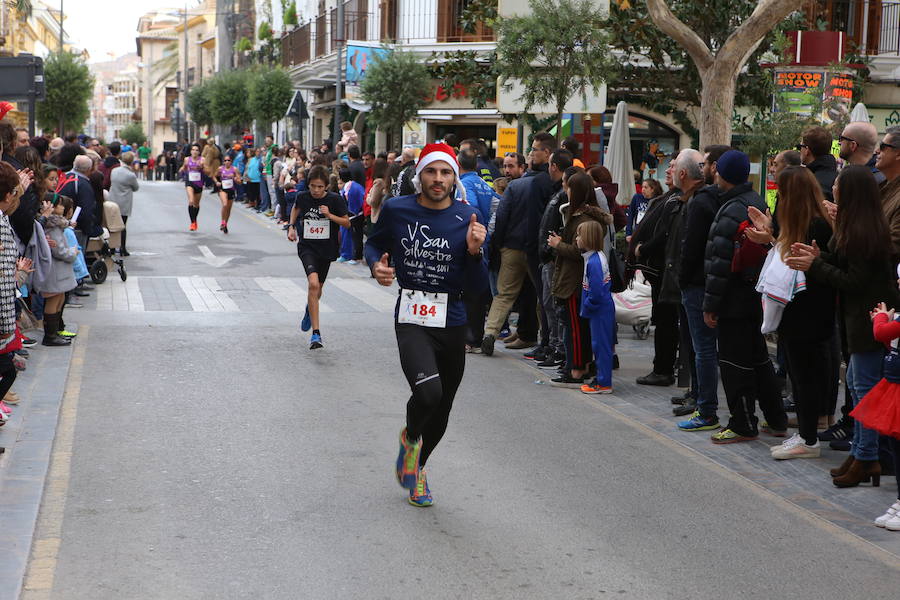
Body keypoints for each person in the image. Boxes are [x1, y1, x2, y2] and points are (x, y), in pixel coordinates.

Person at [365, 142, 487, 507]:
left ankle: (418, 469)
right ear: (420, 176)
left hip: (452, 319)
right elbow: (373, 244)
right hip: (413, 315)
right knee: (429, 394)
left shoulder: (469, 217)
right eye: (431, 171)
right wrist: (377, 266)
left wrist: (475, 252)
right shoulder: (397, 209)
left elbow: (480, 289)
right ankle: (411, 437)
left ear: (454, 177)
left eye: (445, 172)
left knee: (444, 405)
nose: (438, 179)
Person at [787, 165, 897, 485]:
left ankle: (866, 457)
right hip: (858, 321)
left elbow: (855, 280)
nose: (832, 189)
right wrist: (821, 257)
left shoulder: (865, 231)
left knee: (864, 392)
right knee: (856, 385)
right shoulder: (856, 226)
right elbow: (846, 265)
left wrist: (816, 264)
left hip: (868, 321)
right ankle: (862, 454)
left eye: (838, 184)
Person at [746, 166, 835, 458]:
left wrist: (773, 238)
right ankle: (806, 435)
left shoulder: (816, 226)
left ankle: (808, 439)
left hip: (807, 312)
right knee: (800, 375)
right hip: (798, 311)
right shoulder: (804, 222)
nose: (778, 199)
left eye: (781, 193)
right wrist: (770, 237)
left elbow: (805, 265)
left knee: (805, 375)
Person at [703, 150, 787, 444]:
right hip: (755, 295)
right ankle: (776, 418)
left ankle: (742, 423)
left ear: (722, 174)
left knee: (734, 362)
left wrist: (711, 305)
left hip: (734, 299)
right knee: (759, 359)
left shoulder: (731, 209)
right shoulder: (756, 202)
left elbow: (720, 264)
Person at [674, 144, 730, 421]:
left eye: (708, 162)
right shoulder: (718, 199)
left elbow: (692, 247)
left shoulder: (702, 201)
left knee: (703, 348)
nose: (707, 167)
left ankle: (706, 407)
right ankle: (699, 398)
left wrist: (682, 280)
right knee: (703, 347)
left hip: (698, 285)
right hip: (708, 282)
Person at [547, 171, 612, 387]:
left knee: (574, 328)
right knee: (577, 327)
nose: (566, 191)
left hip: (575, 281)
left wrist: (558, 245)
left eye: (569, 187)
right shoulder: (581, 215)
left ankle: (575, 369)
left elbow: (580, 250)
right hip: (574, 279)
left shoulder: (584, 219)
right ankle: (578, 366)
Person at [850, 292, 900, 530]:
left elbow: (881, 333)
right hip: (893, 386)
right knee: (894, 445)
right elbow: (890, 342)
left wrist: (880, 319)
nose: (898, 281)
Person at [287, 165, 350, 350]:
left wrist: (329, 215)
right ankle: (316, 334)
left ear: (326, 187)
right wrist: (291, 227)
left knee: (318, 288)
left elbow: (346, 223)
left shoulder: (335, 200)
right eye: (313, 186)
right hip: (307, 247)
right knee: (313, 284)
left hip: (327, 248)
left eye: (320, 187)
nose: (315, 190)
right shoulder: (303, 196)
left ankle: (309, 308)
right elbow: (295, 209)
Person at [577, 220, 615, 394]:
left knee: (601, 346)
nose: (577, 239)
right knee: (600, 345)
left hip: (599, 310)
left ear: (587, 238)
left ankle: (603, 383)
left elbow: (596, 292)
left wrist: (588, 304)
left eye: (579, 235)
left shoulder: (593, 262)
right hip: (601, 309)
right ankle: (601, 379)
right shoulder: (594, 257)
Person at [38, 195, 79, 346]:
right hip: (55, 270)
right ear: (53, 207)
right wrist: (72, 253)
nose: (63, 207)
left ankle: (54, 333)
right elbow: (58, 250)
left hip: (59, 270)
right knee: (54, 300)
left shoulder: (56, 225)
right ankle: (50, 336)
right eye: (61, 204)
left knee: (59, 299)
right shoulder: (52, 226)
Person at [109, 152, 140, 255]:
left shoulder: (114, 171)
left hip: (112, 199)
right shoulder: (130, 175)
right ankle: (122, 248)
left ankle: (112, 247)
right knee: (122, 226)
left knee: (112, 225)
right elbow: (136, 188)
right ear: (131, 162)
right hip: (124, 202)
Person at [799, 126, 837, 202]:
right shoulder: (839, 177)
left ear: (807, 150)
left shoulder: (810, 182)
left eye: (800, 147)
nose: (800, 150)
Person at [337, 168, 365, 264]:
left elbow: (353, 204)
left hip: (354, 215)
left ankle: (352, 256)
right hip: (356, 214)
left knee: (353, 236)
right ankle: (351, 255)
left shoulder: (349, 188)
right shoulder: (355, 186)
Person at [179, 143, 205, 231]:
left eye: (196, 150)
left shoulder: (202, 160)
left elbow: (207, 171)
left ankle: (194, 220)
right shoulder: (187, 159)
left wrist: (202, 167)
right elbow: (184, 167)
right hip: (189, 182)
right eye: (193, 150)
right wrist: (182, 169)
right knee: (191, 201)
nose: (194, 151)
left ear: (199, 152)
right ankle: (193, 222)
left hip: (199, 183)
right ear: (190, 151)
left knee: (196, 204)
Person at [215, 155, 241, 234]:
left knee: (228, 209)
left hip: (231, 190)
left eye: (228, 160)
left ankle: (225, 224)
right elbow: (214, 176)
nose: (227, 162)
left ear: (231, 161)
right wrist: (217, 182)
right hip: (222, 189)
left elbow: (239, 181)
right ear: (223, 162)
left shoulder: (235, 169)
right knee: (225, 204)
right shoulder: (220, 169)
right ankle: (223, 222)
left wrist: (235, 179)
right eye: (225, 160)